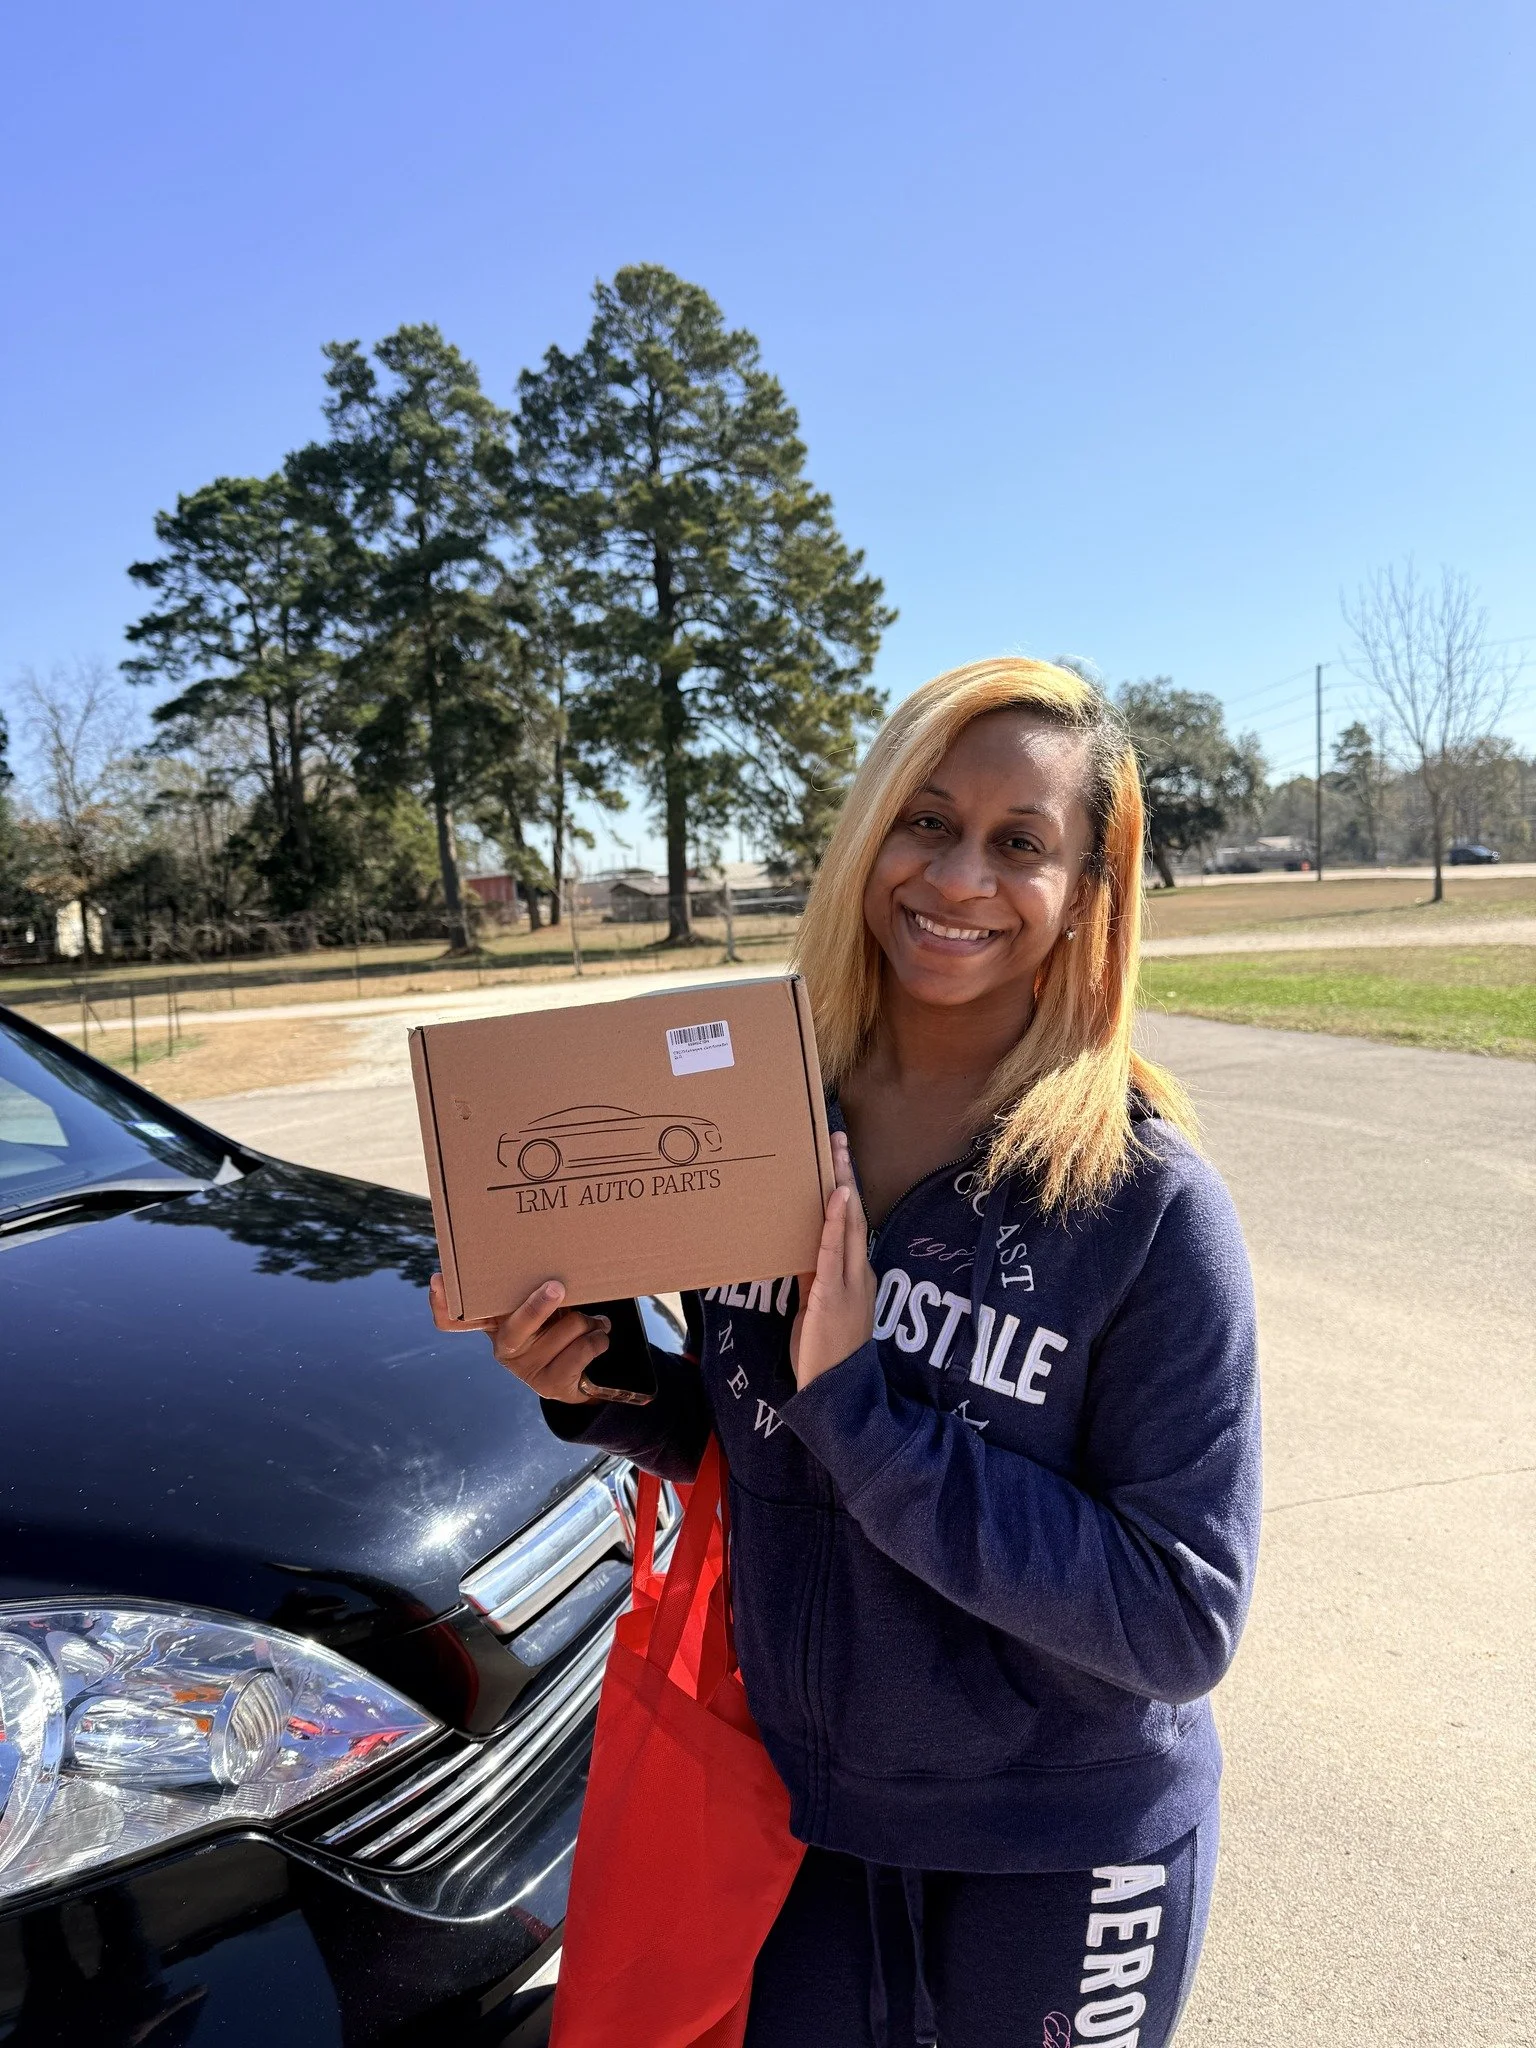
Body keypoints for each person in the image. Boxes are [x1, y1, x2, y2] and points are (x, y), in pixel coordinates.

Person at [431, 658, 1262, 2048]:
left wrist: (867, 1411)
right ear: (868, 834)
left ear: (1085, 896)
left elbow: (1182, 1620)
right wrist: (605, 1385)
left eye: (1021, 844)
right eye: (926, 821)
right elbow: (757, 1442)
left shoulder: (1146, 1205)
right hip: (807, 1815)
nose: (959, 877)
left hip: (1064, 1841)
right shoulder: (764, 1126)